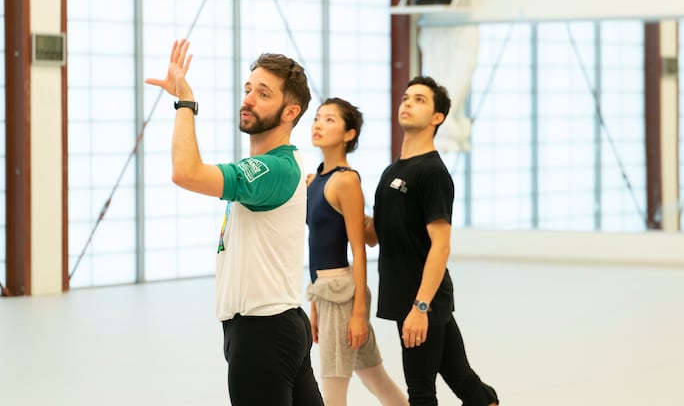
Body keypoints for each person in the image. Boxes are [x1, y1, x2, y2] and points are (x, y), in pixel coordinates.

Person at [145, 39, 323, 406]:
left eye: (263, 93)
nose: (248, 99)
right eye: (247, 89)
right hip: (282, 323)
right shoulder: (281, 165)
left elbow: (186, 172)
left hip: (263, 331)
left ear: (290, 112)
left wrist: (185, 104)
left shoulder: (272, 168)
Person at [364, 76, 499, 406]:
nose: (407, 103)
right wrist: (333, 195)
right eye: (406, 98)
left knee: (421, 391)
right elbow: (372, 236)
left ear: (438, 118)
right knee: (463, 379)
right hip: (404, 298)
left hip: (422, 302)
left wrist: (420, 307)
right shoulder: (391, 172)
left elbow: (441, 245)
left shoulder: (433, 173)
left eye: (420, 100)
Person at [305, 97, 408, 406]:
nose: (319, 124)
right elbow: (315, 246)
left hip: (341, 294)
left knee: (333, 391)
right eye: (317, 118)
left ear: (349, 135)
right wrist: (313, 304)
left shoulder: (346, 181)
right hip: (325, 292)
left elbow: (359, 250)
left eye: (330, 120)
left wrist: (359, 312)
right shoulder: (315, 179)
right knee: (376, 378)